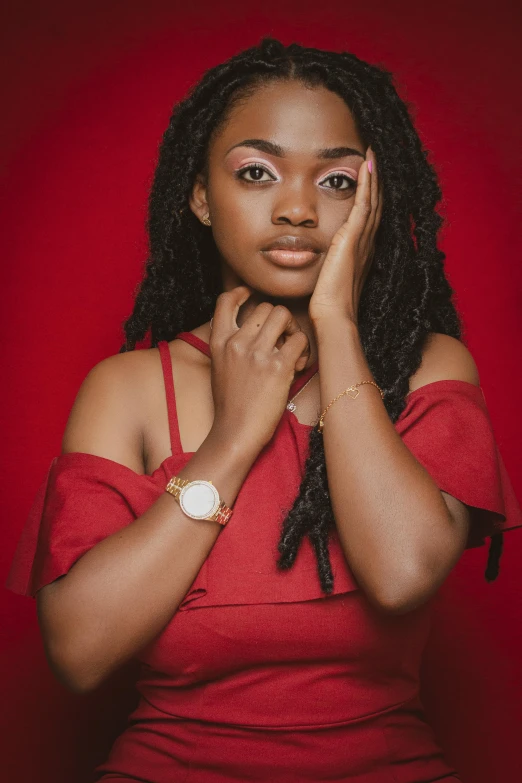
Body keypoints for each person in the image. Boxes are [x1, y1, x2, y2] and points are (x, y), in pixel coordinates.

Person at [6, 36, 522, 783]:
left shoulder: (428, 369)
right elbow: (79, 652)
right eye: (257, 172)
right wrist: (237, 433)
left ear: (374, 201)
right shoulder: (127, 388)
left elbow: (404, 570)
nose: (297, 207)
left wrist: (337, 325)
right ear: (201, 196)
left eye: (338, 180)